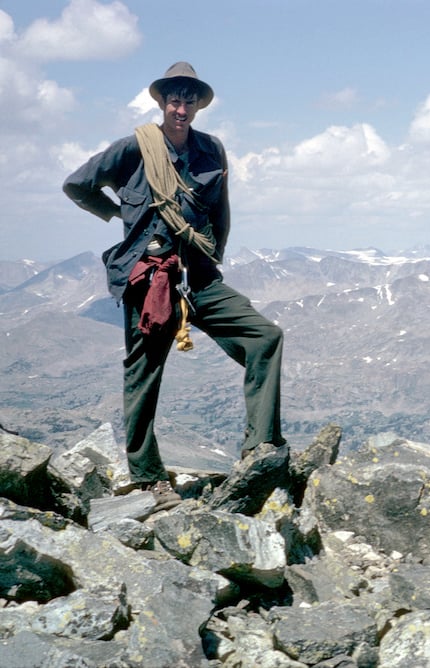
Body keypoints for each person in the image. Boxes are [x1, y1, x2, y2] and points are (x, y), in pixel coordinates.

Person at [64, 62, 285, 511]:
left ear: (198, 106)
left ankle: (260, 449)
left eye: (188, 100)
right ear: (162, 102)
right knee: (143, 375)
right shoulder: (135, 149)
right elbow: (77, 184)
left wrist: (211, 257)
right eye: (173, 99)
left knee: (265, 338)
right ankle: (148, 479)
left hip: (198, 276)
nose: (180, 108)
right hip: (152, 278)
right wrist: (116, 216)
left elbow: (220, 212)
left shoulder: (211, 151)